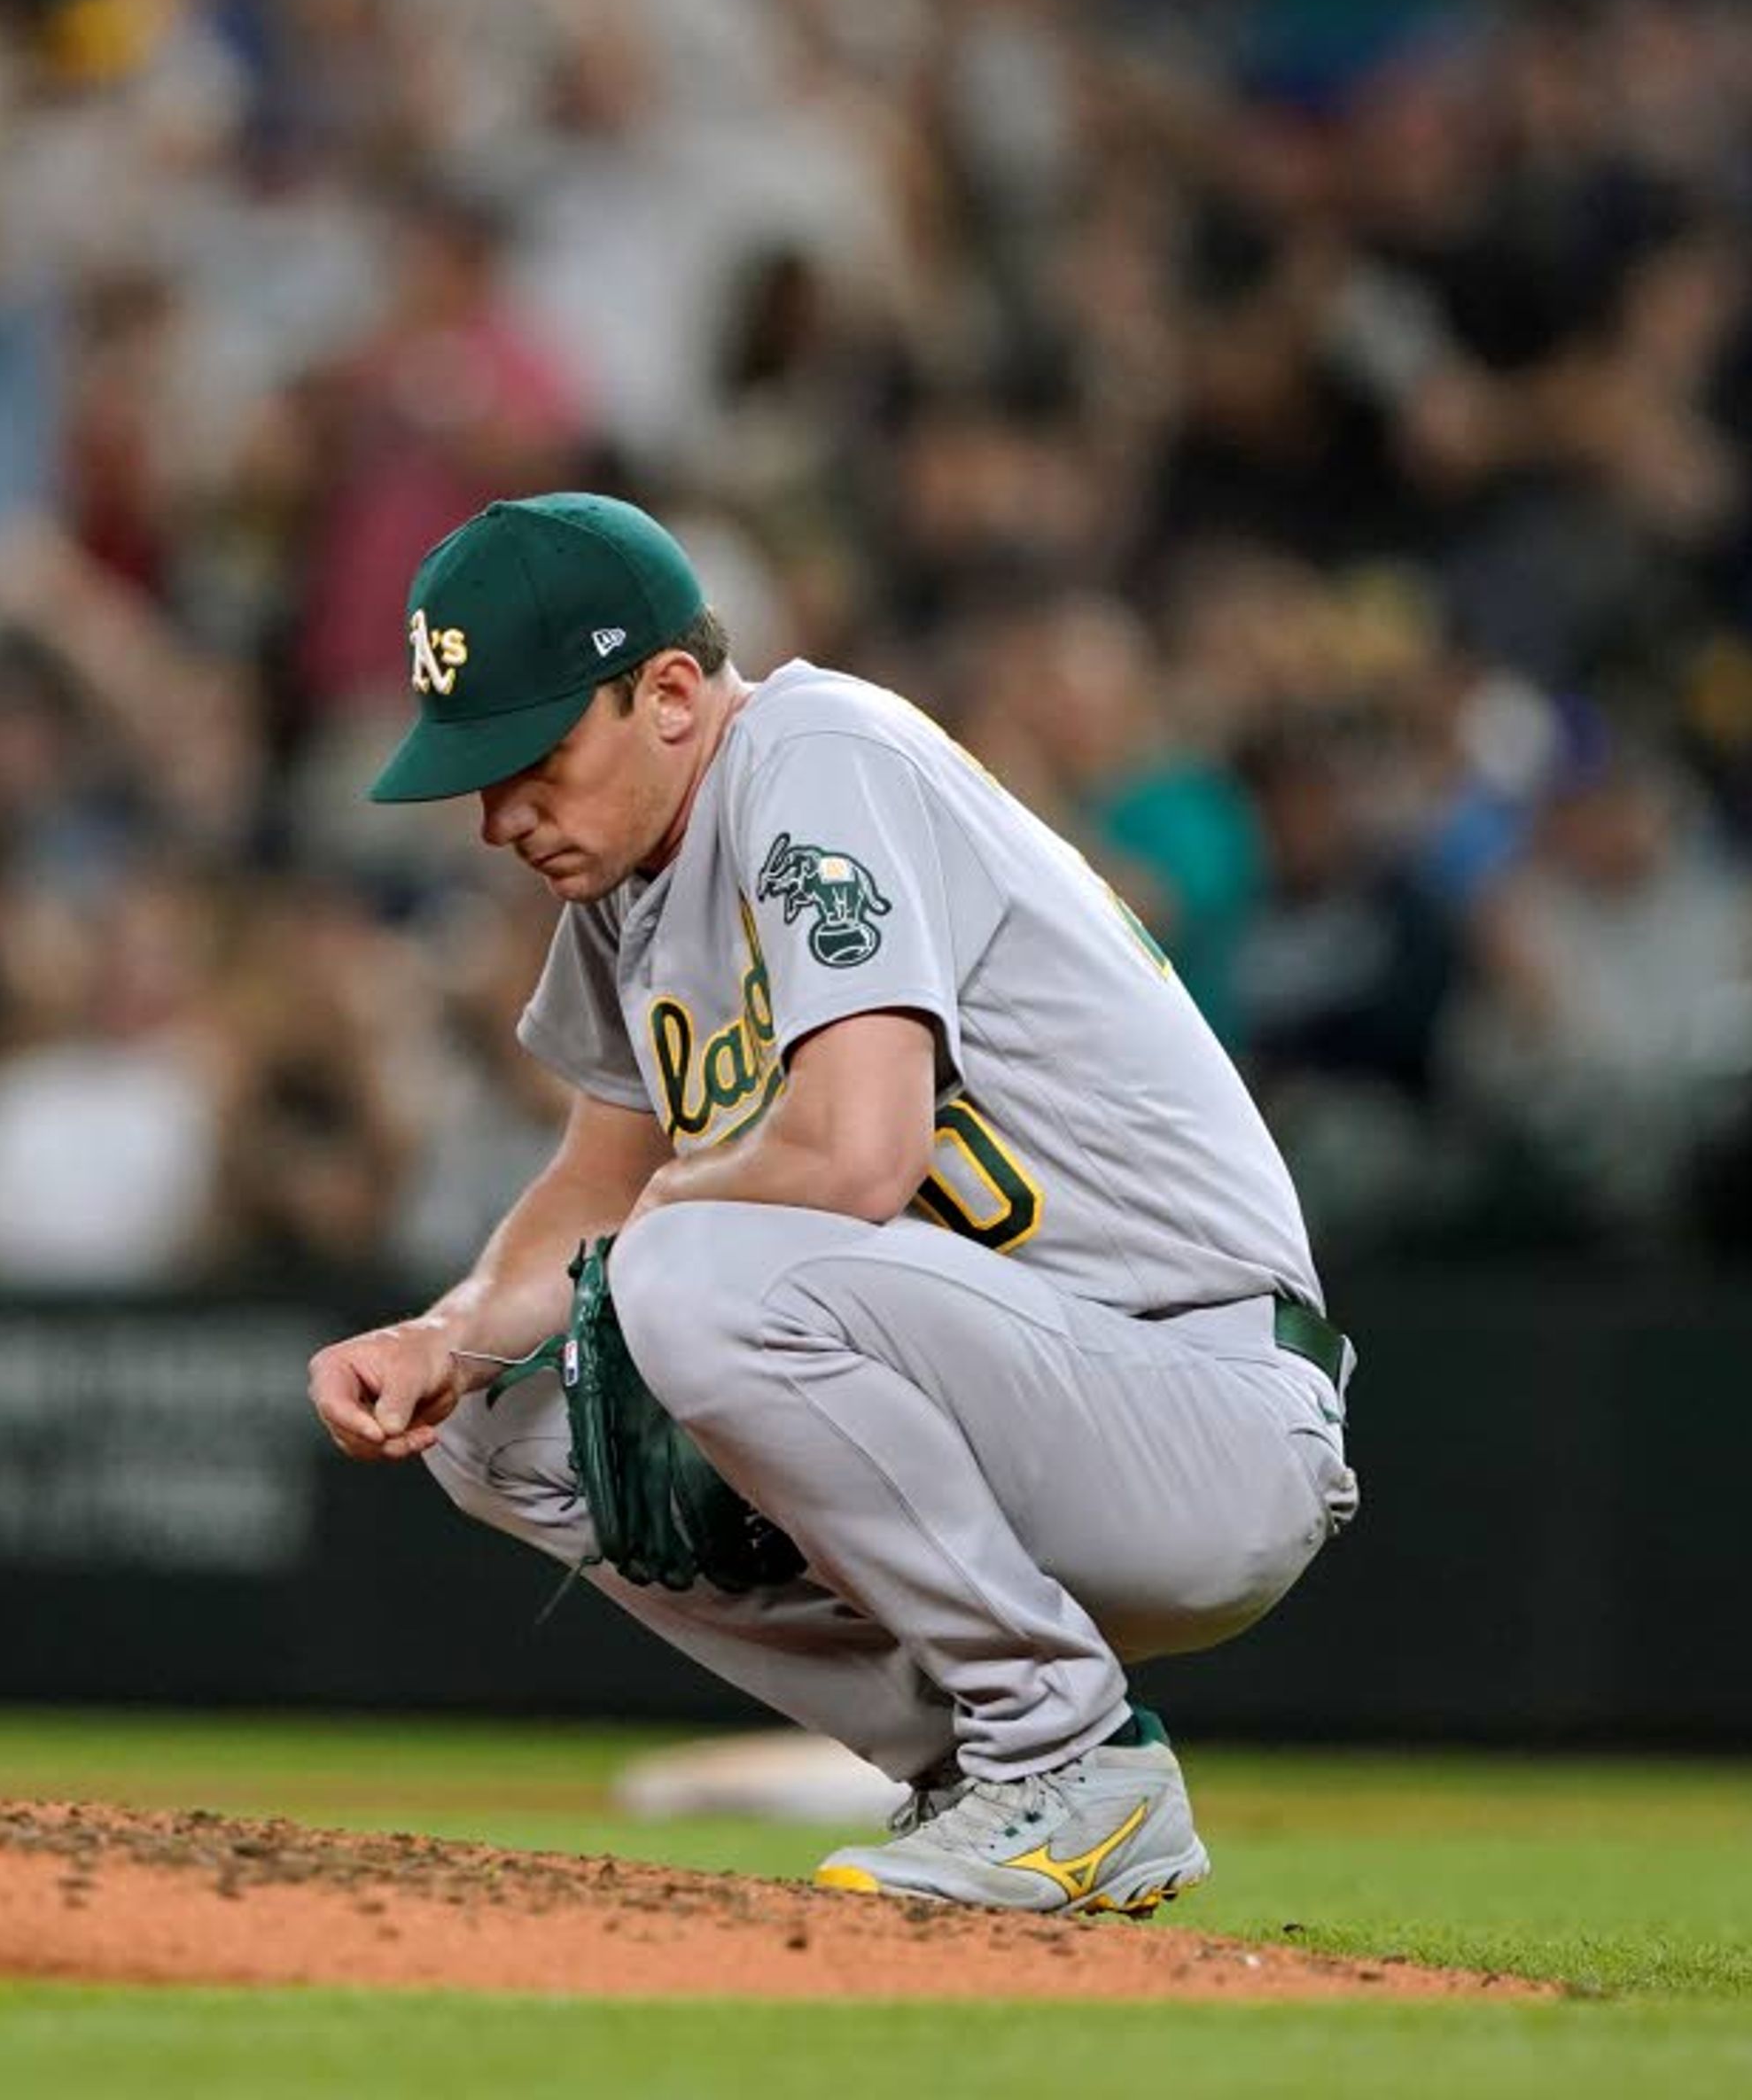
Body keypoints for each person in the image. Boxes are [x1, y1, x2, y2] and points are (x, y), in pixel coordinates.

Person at [304, 494, 1358, 1914]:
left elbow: (857, 1153)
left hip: (1192, 1397)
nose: (499, 818)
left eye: (535, 757)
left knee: (683, 1275)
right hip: (1001, 1386)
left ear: (671, 693)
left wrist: (673, 1223)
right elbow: (594, 1188)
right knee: (493, 1419)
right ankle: (982, 1770)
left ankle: (1073, 1761)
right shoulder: (626, 888)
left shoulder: (817, 755)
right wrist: (450, 1331)